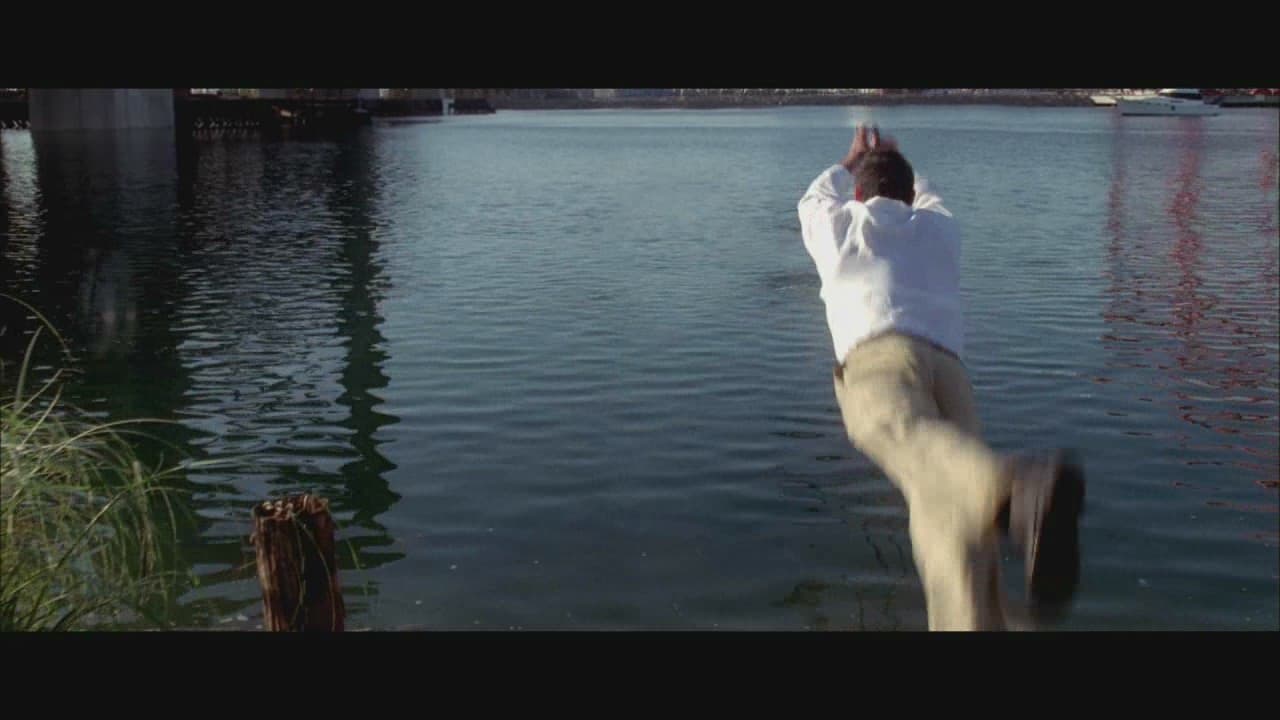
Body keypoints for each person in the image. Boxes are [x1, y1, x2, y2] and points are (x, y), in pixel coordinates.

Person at [797, 124, 1085, 631]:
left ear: (859, 195)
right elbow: (927, 195)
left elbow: (814, 197)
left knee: (892, 428)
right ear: (911, 196)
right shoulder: (939, 227)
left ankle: (1014, 489)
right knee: (946, 513)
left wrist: (852, 157)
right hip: (950, 372)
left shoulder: (842, 225)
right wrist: (897, 160)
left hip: (881, 357)